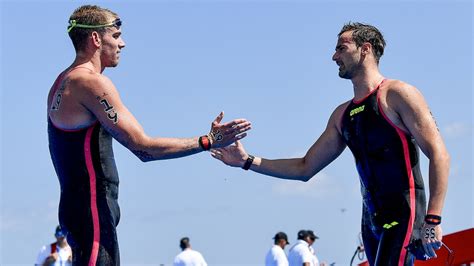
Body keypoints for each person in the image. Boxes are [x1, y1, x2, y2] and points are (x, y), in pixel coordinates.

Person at [211, 22, 449, 265]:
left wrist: (432, 220)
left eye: (341, 48)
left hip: (405, 213)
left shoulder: (397, 94)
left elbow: (439, 154)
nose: (334, 56)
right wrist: (247, 161)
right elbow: (305, 167)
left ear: (365, 49)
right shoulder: (342, 115)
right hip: (371, 222)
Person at [47, 5, 251, 265]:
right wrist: (209, 141)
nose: (123, 44)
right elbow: (144, 148)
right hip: (92, 211)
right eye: (116, 35)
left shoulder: (61, 82)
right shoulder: (90, 83)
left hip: (79, 209)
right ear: (96, 39)